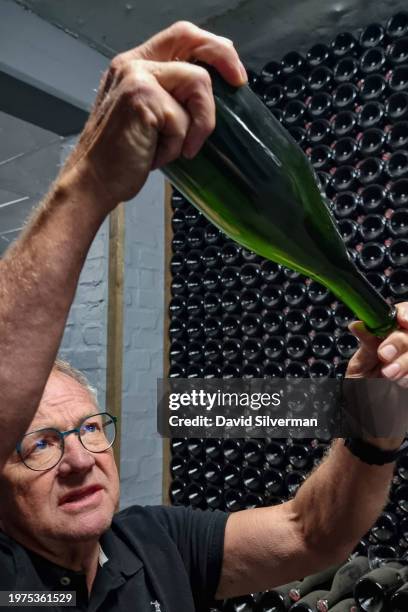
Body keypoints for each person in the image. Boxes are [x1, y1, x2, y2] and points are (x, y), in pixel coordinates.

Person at [0, 20, 407, 612]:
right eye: (40, 444)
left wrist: (376, 416)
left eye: (91, 428)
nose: (82, 459)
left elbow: (309, 532)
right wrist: (88, 180)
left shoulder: (153, 542)